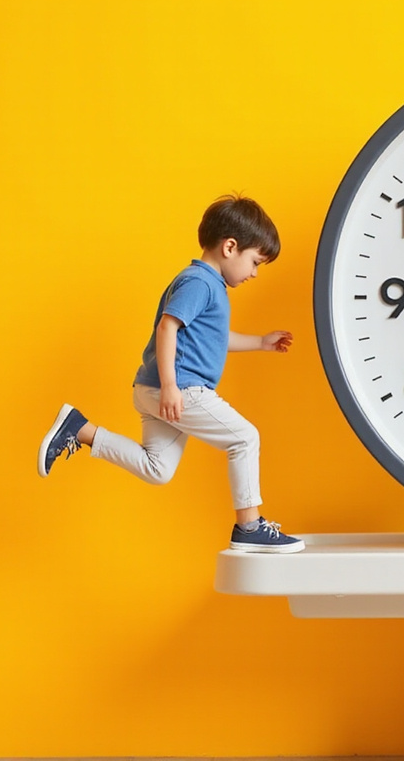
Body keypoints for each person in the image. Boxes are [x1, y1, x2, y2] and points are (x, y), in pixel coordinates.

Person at [38, 195, 303, 553]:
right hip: (181, 388)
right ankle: (249, 526)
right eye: (255, 262)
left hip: (153, 388)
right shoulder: (201, 282)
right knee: (244, 438)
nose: (254, 273)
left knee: (158, 468)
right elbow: (168, 327)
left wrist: (261, 342)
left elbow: (214, 338)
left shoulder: (207, 285)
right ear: (230, 247)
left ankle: (80, 428)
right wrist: (170, 386)